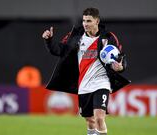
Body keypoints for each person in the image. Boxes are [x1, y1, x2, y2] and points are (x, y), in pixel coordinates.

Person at [42, 7, 130, 135]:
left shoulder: (108, 37)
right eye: (84, 21)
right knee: (90, 120)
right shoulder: (76, 36)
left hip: (102, 82)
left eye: (89, 21)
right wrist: (48, 41)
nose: (85, 24)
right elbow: (59, 50)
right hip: (83, 84)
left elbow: (120, 58)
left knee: (99, 117)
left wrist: (120, 67)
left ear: (97, 21)